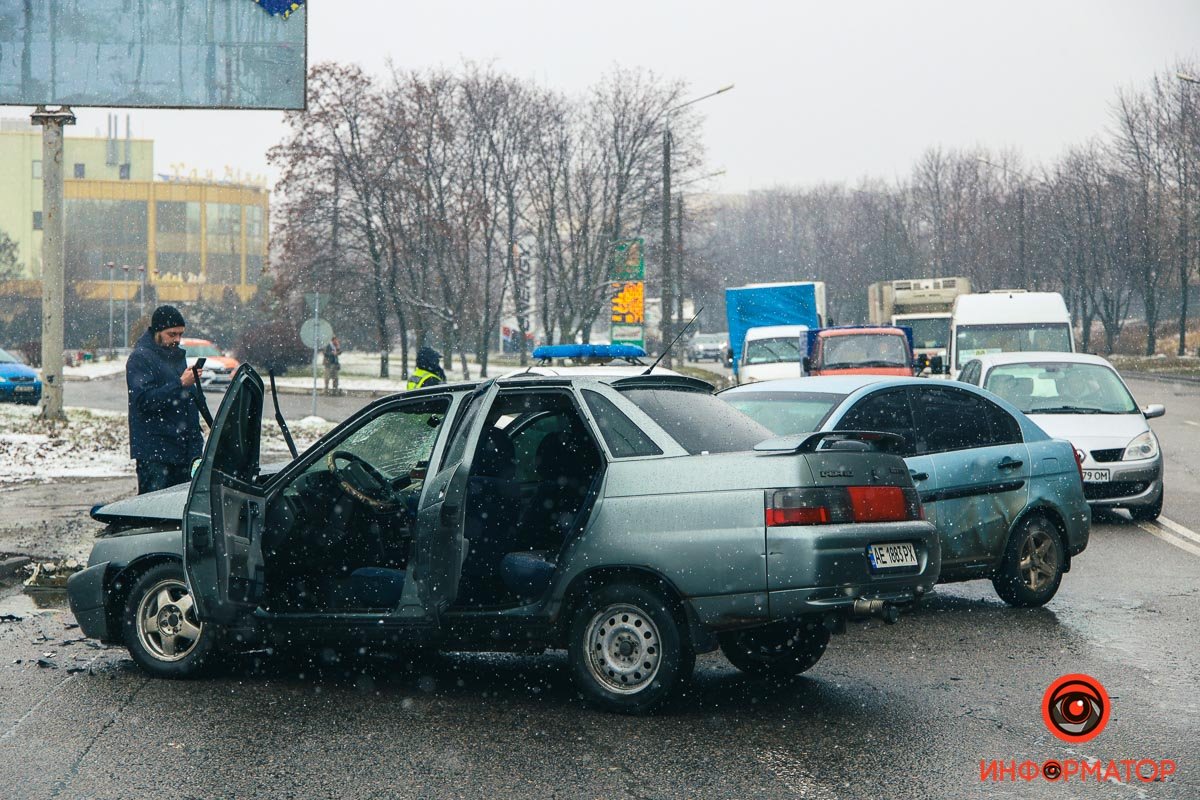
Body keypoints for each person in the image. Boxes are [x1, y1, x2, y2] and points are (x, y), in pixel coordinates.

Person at [126, 305, 204, 494]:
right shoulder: (140, 359)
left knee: (179, 513)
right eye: (172, 334)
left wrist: (196, 446)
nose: (177, 340)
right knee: (154, 512)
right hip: (155, 454)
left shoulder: (175, 357)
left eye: (180, 334)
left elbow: (187, 404)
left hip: (182, 452)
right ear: (157, 331)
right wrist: (180, 384)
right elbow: (144, 401)